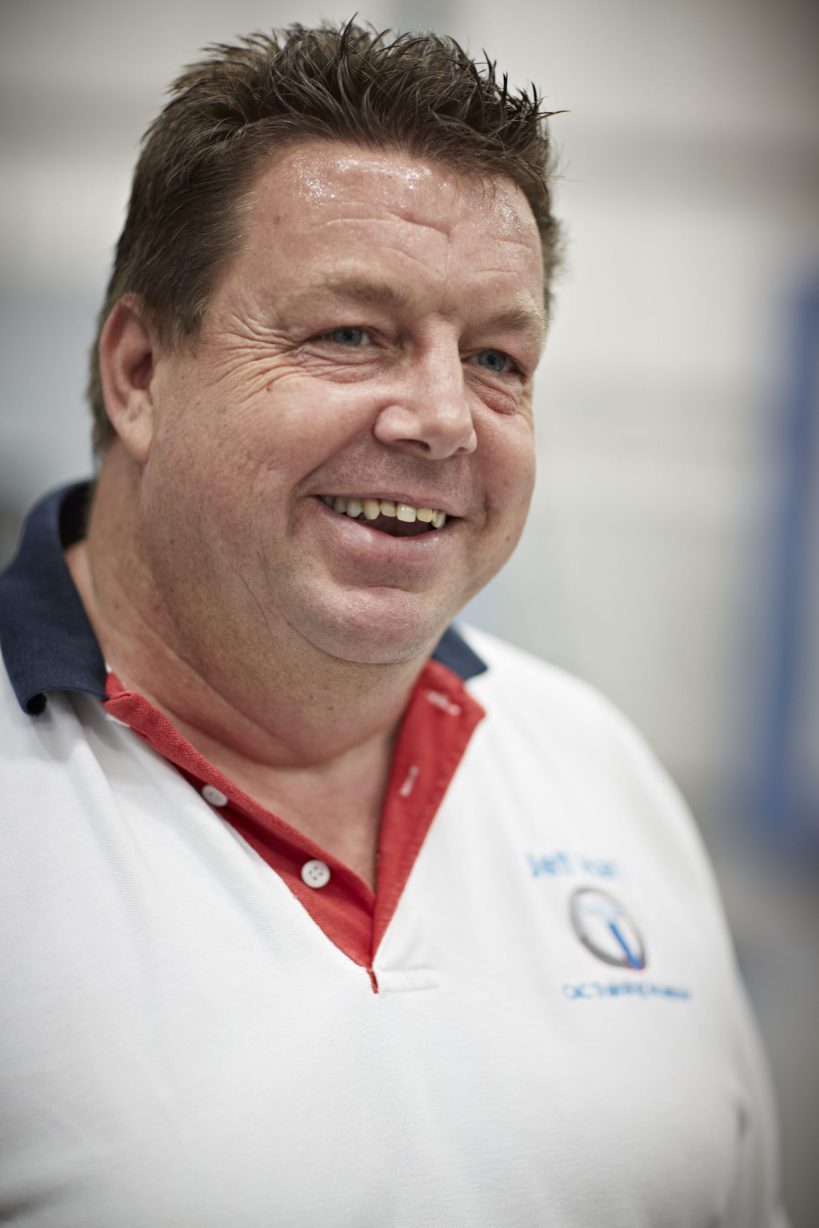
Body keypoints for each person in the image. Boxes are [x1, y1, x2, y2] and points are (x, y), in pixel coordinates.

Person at [0, 21, 788, 1227]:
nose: (443, 418)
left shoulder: (597, 769)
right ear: (142, 371)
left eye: (497, 358)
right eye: (351, 333)